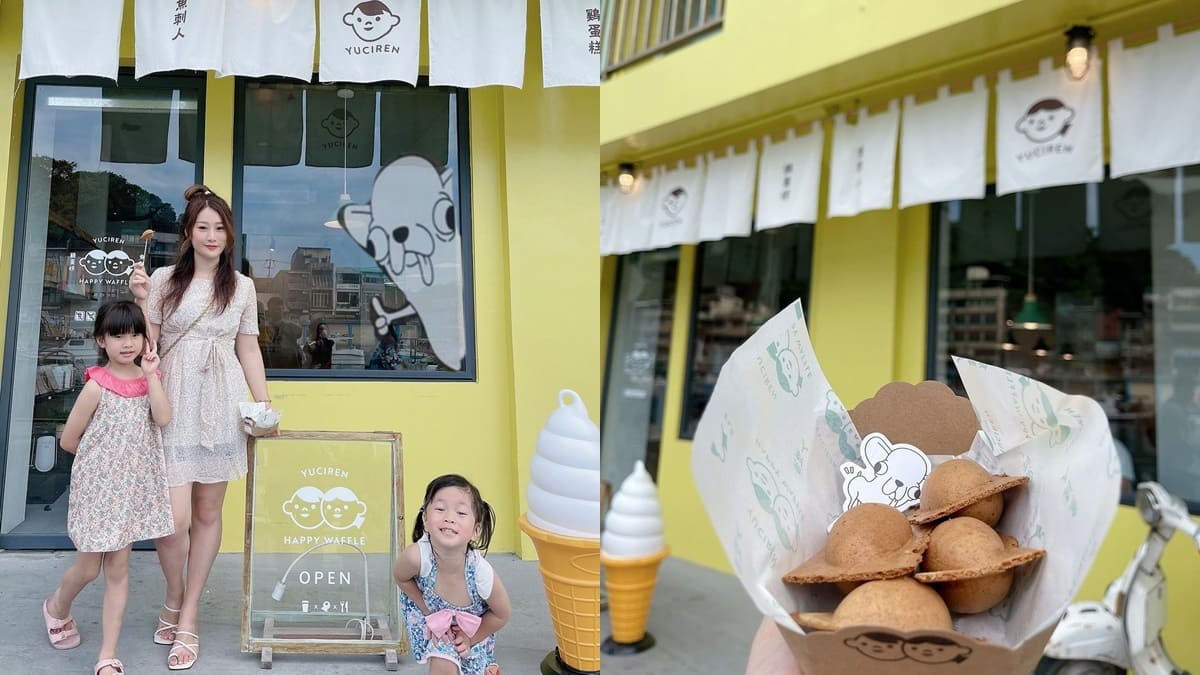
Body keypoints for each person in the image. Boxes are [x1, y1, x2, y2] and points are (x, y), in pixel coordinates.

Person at [128, 184, 273, 670]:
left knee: (208, 513)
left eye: (220, 227)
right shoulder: (166, 279)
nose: (212, 235)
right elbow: (148, 347)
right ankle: (174, 592)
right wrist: (140, 300)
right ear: (189, 233)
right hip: (173, 398)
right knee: (173, 522)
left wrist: (263, 403)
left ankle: (187, 614)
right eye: (202, 227)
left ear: (230, 234)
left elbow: (248, 347)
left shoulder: (244, 286)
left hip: (222, 400)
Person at [41, 300, 174, 675]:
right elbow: (69, 439)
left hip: (129, 492)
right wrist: (101, 466)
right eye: (117, 335)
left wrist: (151, 375)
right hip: (98, 491)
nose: (127, 342)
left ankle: (107, 655)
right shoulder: (96, 385)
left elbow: (163, 419)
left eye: (135, 334)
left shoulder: (151, 382)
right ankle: (56, 607)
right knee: (88, 569)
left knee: (118, 569)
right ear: (102, 339)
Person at [394, 475, 511, 675]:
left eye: (461, 512)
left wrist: (470, 639)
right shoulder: (417, 557)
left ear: (475, 531)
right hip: (435, 623)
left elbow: (502, 613)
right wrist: (428, 610)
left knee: (471, 665)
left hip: (473, 629)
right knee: (443, 655)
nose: (449, 517)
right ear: (425, 520)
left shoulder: (480, 573)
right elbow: (401, 577)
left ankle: (485, 666)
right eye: (440, 509)